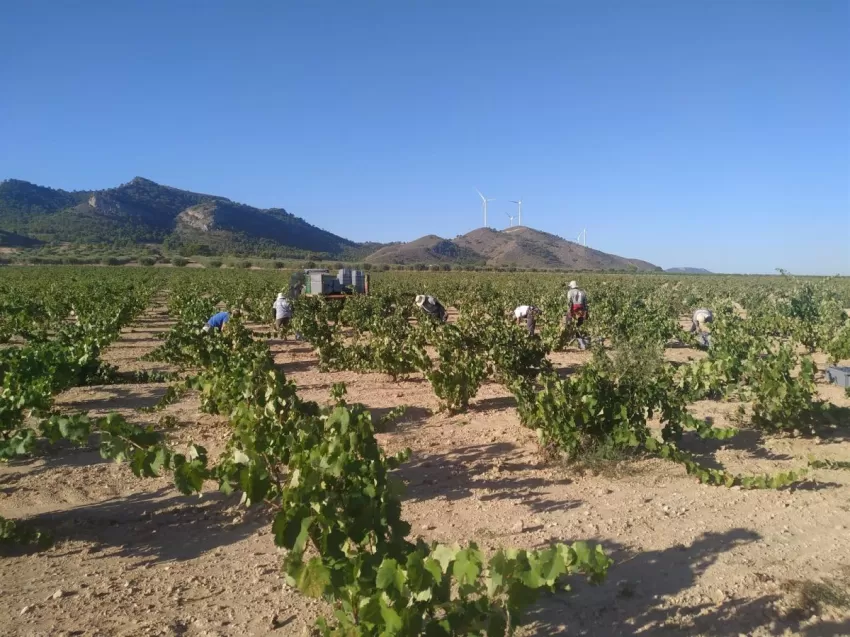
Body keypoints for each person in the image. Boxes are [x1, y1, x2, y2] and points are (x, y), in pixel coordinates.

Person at [566, 281, 590, 349]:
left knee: (569, 324)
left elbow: (569, 303)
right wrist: (586, 312)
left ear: (571, 286)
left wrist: (569, 312)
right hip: (581, 311)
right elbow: (585, 304)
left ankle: (571, 339)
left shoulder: (570, 292)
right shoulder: (582, 292)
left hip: (573, 310)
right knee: (580, 325)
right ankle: (579, 340)